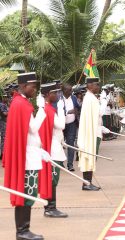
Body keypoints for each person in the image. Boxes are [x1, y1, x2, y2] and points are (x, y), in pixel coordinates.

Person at [2, 72, 51, 240]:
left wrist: (40, 149)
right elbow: (33, 128)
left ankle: (24, 230)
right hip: (27, 158)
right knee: (27, 194)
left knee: (29, 193)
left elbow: (28, 135)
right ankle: (22, 231)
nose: (35, 89)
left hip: (31, 154)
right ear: (23, 86)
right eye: (33, 86)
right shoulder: (22, 104)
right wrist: (42, 110)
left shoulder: (21, 103)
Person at [38, 82, 68, 218]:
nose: (57, 95)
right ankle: (50, 207)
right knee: (52, 180)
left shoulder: (48, 108)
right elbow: (61, 125)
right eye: (54, 93)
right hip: (53, 150)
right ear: (47, 95)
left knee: (53, 180)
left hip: (55, 146)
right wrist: (61, 109)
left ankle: (50, 206)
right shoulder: (49, 109)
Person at [77, 77, 104, 190]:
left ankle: (88, 182)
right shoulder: (90, 98)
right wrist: (104, 101)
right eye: (96, 85)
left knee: (92, 157)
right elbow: (100, 113)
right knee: (90, 157)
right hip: (91, 134)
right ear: (89, 85)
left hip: (95, 131)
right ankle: (87, 183)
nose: (98, 87)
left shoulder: (91, 97)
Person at [61, 83, 80, 171]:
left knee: (71, 144)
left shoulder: (74, 98)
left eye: (71, 90)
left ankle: (70, 165)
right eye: (69, 90)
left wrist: (76, 110)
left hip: (72, 124)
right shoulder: (59, 99)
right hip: (61, 125)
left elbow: (77, 107)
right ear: (64, 91)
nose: (71, 91)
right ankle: (60, 163)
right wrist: (68, 112)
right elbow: (58, 111)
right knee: (60, 144)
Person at [0, 92, 9, 159]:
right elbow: (4, 114)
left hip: (5, 122)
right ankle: (3, 154)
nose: (6, 98)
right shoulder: (1, 105)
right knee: (4, 138)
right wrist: (11, 111)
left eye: (7, 97)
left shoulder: (6, 104)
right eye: (5, 97)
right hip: (3, 122)